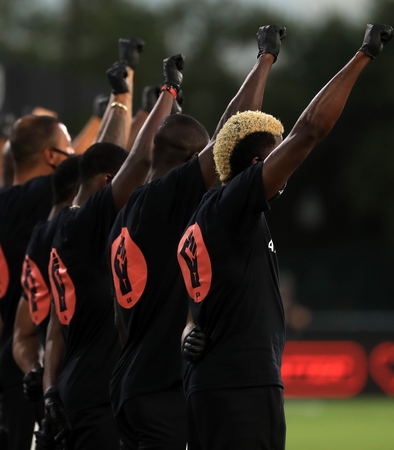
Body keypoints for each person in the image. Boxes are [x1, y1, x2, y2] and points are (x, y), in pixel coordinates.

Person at [176, 23, 393, 449]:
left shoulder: (205, 211)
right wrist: (363, 56)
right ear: (259, 162)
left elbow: (228, 132)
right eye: (276, 150)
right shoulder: (233, 207)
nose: (284, 156)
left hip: (209, 386)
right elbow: (309, 129)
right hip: (241, 387)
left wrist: (265, 59)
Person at [108, 24, 286, 450]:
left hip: (130, 381)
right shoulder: (164, 200)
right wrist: (265, 60)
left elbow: (137, 154)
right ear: (191, 159)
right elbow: (233, 134)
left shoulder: (123, 213)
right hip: (161, 388)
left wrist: (167, 93)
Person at [0, 38, 140, 450]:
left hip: (15, 362)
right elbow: (104, 161)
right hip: (46, 370)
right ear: (52, 158)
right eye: (68, 152)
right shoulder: (42, 201)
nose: (73, 158)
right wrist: (122, 97)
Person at [39, 52, 182, 449]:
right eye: (120, 186)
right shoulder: (85, 224)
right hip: (97, 398)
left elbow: (54, 331)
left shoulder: (63, 229)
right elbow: (138, 160)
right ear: (106, 183)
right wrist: (167, 95)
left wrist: (51, 391)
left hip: (75, 388)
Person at [12, 154, 82, 405]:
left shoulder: (40, 236)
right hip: (82, 393)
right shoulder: (76, 227)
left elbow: (22, 333)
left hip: (57, 388)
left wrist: (36, 371)